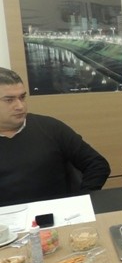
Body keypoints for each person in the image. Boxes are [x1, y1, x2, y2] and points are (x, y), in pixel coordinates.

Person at [0, 67, 110, 207]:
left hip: (56, 213)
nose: (20, 106)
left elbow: (97, 165)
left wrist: (81, 201)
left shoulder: (51, 128)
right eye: (9, 100)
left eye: (22, 97)